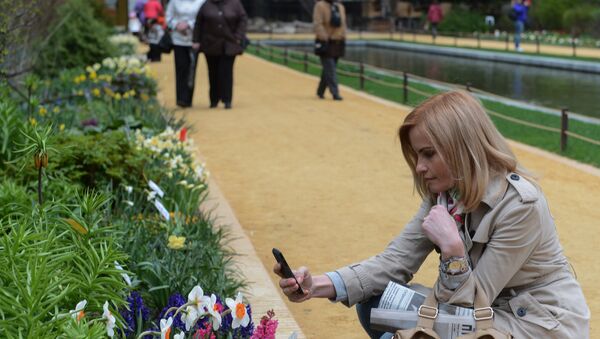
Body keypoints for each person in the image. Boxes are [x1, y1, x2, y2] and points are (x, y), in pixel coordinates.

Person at [274, 91, 590, 338]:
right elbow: (394, 262)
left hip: (537, 326)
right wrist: (316, 285)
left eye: (428, 154)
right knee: (376, 303)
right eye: (416, 155)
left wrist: (453, 251)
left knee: (405, 317)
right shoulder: (445, 196)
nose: (419, 167)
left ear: (462, 147)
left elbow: (473, 301)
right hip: (485, 314)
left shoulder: (521, 206)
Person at [192, 0, 247, 109]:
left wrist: (238, 36)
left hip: (229, 44)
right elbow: (198, 23)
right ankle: (214, 99)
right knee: (213, 72)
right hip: (210, 43)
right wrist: (196, 40)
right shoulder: (206, 4)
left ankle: (227, 99)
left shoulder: (235, 4)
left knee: (226, 72)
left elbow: (243, 19)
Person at [166, 0, 206, 108]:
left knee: (191, 69)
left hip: (194, 40)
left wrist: (188, 25)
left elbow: (204, 18)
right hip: (178, 39)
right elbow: (168, 17)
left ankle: (188, 98)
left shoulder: (201, 2)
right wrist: (177, 25)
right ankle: (180, 98)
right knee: (180, 67)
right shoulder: (174, 2)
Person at [313, 0, 346, 101]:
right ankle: (335, 93)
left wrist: (342, 36)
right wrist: (325, 37)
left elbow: (343, 24)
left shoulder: (339, 7)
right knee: (330, 68)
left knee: (329, 68)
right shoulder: (320, 6)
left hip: (338, 41)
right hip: (326, 42)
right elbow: (318, 24)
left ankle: (320, 91)